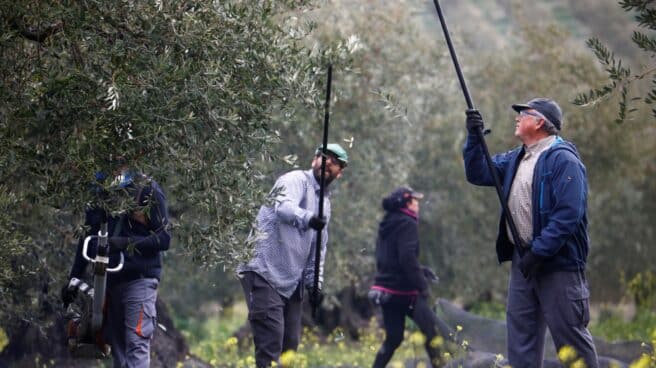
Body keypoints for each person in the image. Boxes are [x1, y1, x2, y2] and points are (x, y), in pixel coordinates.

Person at [463, 98, 599, 367]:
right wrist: (474, 138)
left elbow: (567, 215)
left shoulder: (564, 160)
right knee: (521, 342)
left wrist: (539, 252)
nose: (517, 117)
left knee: (571, 342)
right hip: (523, 263)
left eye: (523, 113)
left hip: (557, 266)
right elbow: (478, 173)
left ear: (539, 122)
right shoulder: (517, 157)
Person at [237, 143, 348, 368]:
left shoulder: (325, 204)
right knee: (270, 345)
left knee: (290, 347)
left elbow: (319, 247)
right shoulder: (295, 180)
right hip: (264, 272)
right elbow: (283, 208)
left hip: (291, 282)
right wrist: (308, 218)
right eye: (324, 157)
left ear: (340, 173)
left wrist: (314, 283)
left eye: (335, 163)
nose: (328, 163)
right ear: (314, 160)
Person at [63, 165, 171, 368]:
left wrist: (123, 243)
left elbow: (164, 239)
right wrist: (74, 278)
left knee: (136, 345)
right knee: (119, 354)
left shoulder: (147, 190)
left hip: (139, 280)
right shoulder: (99, 191)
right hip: (108, 283)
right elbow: (88, 237)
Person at [370, 186, 449, 368]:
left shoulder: (387, 223)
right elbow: (406, 258)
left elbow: (392, 259)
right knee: (432, 334)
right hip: (405, 293)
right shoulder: (408, 222)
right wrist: (422, 286)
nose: (418, 205)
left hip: (385, 291)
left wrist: (421, 270)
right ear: (406, 203)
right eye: (415, 201)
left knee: (393, 339)